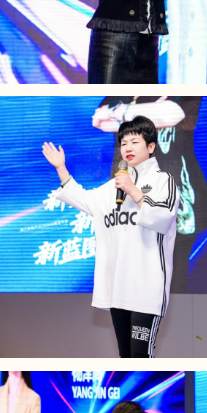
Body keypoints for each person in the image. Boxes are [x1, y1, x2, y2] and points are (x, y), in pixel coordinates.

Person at [41, 116, 178, 358]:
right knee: (125, 356)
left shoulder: (162, 181)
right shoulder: (112, 186)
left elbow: (163, 216)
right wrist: (61, 168)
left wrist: (133, 190)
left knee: (140, 356)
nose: (127, 148)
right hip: (118, 289)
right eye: (123, 143)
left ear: (150, 147)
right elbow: (83, 199)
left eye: (134, 142)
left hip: (146, 288)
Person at [92, 97, 207, 293]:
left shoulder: (180, 91)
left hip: (174, 196)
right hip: (127, 197)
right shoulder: (120, 95)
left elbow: (172, 113)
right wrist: (143, 114)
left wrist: (119, 113)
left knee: (172, 281)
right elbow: (98, 120)